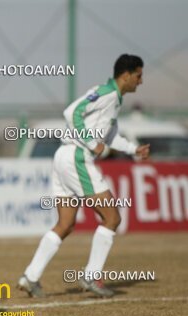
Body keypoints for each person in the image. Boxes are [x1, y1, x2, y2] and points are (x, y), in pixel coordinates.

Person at [18, 54, 150, 298]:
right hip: (76, 157)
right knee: (112, 217)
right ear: (126, 75)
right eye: (139, 75)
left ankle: (30, 277)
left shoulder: (114, 99)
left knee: (66, 224)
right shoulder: (107, 93)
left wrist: (133, 149)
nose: (141, 81)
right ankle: (91, 277)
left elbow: (110, 136)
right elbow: (72, 112)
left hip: (64, 156)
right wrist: (91, 143)